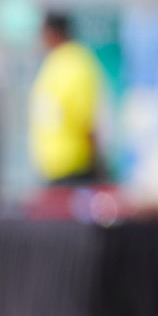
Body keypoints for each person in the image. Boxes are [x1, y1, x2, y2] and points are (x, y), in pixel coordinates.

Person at [29, 11, 103, 185]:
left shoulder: (75, 63)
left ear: (52, 32)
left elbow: (87, 121)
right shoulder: (59, 61)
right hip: (56, 169)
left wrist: (96, 164)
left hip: (74, 169)